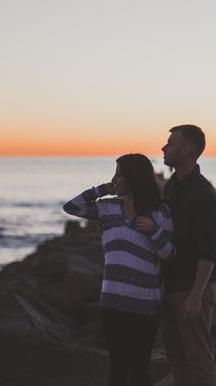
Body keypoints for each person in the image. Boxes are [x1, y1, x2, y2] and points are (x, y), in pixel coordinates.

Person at [63, 156, 174, 386]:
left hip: (145, 304)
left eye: (120, 174)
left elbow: (170, 254)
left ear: (135, 178)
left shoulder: (159, 212)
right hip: (112, 301)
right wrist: (101, 189)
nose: (115, 179)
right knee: (118, 367)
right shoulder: (107, 208)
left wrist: (154, 230)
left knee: (140, 369)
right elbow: (71, 207)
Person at [161, 123, 216, 386]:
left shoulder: (203, 195)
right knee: (176, 358)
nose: (163, 147)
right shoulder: (172, 186)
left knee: (198, 358)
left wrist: (196, 295)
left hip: (192, 287)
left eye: (170, 143)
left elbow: (209, 250)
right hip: (171, 284)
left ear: (186, 150)